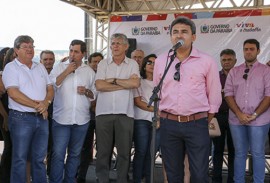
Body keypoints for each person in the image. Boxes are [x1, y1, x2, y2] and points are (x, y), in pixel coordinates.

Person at [153, 16, 221, 183]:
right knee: (173, 174)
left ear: (194, 37)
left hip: (196, 124)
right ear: (170, 36)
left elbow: (214, 95)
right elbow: (158, 91)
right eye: (175, 32)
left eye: (184, 32)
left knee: (199, 174)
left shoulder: (207, 61)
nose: (179, 35)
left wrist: (205, 119)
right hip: (169, 124)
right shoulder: (162, 61)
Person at [2, 35, 54, 183]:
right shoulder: (11, 68)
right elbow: (13, 93)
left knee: (39, 159)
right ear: (16, 50)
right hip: (21, 118)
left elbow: (50, 88)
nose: (30, 49)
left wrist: (47, 102)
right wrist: (39, 106)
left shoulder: (40, 66)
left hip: (41, 118)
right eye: (25, 47)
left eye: (32, 46)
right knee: (20, 158)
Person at [95, 33, 140, 183]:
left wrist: (112, 81)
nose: (114, 46)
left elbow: (135, 84)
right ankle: (102, 180)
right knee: (103, 152)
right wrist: (123, 84)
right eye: (113, 43)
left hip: (125, 113)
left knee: (124, 153)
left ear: (126, 47)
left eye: (118, 43)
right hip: (103, 113)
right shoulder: (103, 64)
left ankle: (122, 180)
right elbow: (99, 85)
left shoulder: (133, 63)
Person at [49, 40, 96, 183]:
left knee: (75, 154)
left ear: (83, 54)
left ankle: (70, 180)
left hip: (81, 120)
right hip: (61, 119)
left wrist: (86, 91)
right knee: (58, 154)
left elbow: (94, 94)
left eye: (76, 51)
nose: (72, 54)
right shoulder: (59, 67)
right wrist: (67, 71)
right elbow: (52, 85)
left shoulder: (89, 71)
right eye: (71, 51)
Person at [224, 38, 270, 183]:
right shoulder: (234, 71)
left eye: (251, 49)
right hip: (237, 120)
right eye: (246, 49)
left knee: (258, 154)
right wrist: (239, 114)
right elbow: (228, 94)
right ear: (243, 51)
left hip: (260, 120)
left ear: (258, 51)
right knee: (239, 154)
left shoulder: (266, 71)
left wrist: (255, 114)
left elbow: (269, 95)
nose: (248, 52)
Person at [132, 54, 160, 183]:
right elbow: (137, 102)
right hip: (141, 120)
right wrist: (156, 110)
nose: (152, 65)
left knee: (151, 153)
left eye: (155, 62)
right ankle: (137, 179)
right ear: (144, 65)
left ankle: (149, 179)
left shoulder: (162, 83)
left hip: (158, 122)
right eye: (149, 62)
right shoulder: (139, 81)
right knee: (141, 151)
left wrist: (158, 115)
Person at [77, 52, 103, 183]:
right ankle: (81, 176)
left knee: (103, 148)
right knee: (85, 148)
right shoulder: (84, 75)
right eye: (94, 62)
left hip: (101, 117)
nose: (97, 64)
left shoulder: (105, 76)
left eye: (100, 62)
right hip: (86, 117)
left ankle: (101, 175)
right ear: (89, 62)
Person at [212, 49, 236, 183]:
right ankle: (216, 180)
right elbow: (212, 95)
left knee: (234, 151)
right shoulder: (215, 76)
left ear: (235, 61)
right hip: (218, 116)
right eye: (224, 60)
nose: (226, 62)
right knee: (217, 150)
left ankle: (232, 180)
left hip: (235, 117)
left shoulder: (239, 75)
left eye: (229, 60)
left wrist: (224, 93)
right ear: (220, 61)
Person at [40, 50, 55, 176]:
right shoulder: (35, 74)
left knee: (53, 149)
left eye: (50, 59)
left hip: (55, 117)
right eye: (45, 59)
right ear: (41, 61)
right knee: (38, 149)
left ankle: (50, 175)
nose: (48, 62)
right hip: (39, 116)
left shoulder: (58, 74)